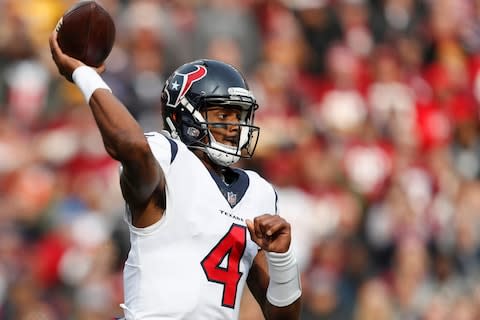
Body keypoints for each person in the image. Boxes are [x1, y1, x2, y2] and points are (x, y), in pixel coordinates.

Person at [49, 28, 302, 320]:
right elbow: (131, 144)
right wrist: (84, 74)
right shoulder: (167, 158)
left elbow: (283, 318)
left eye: (239, 116)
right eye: (222, 115)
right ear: (182, 116)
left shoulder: (259, 193)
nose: (234, 127)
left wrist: (282, 258)